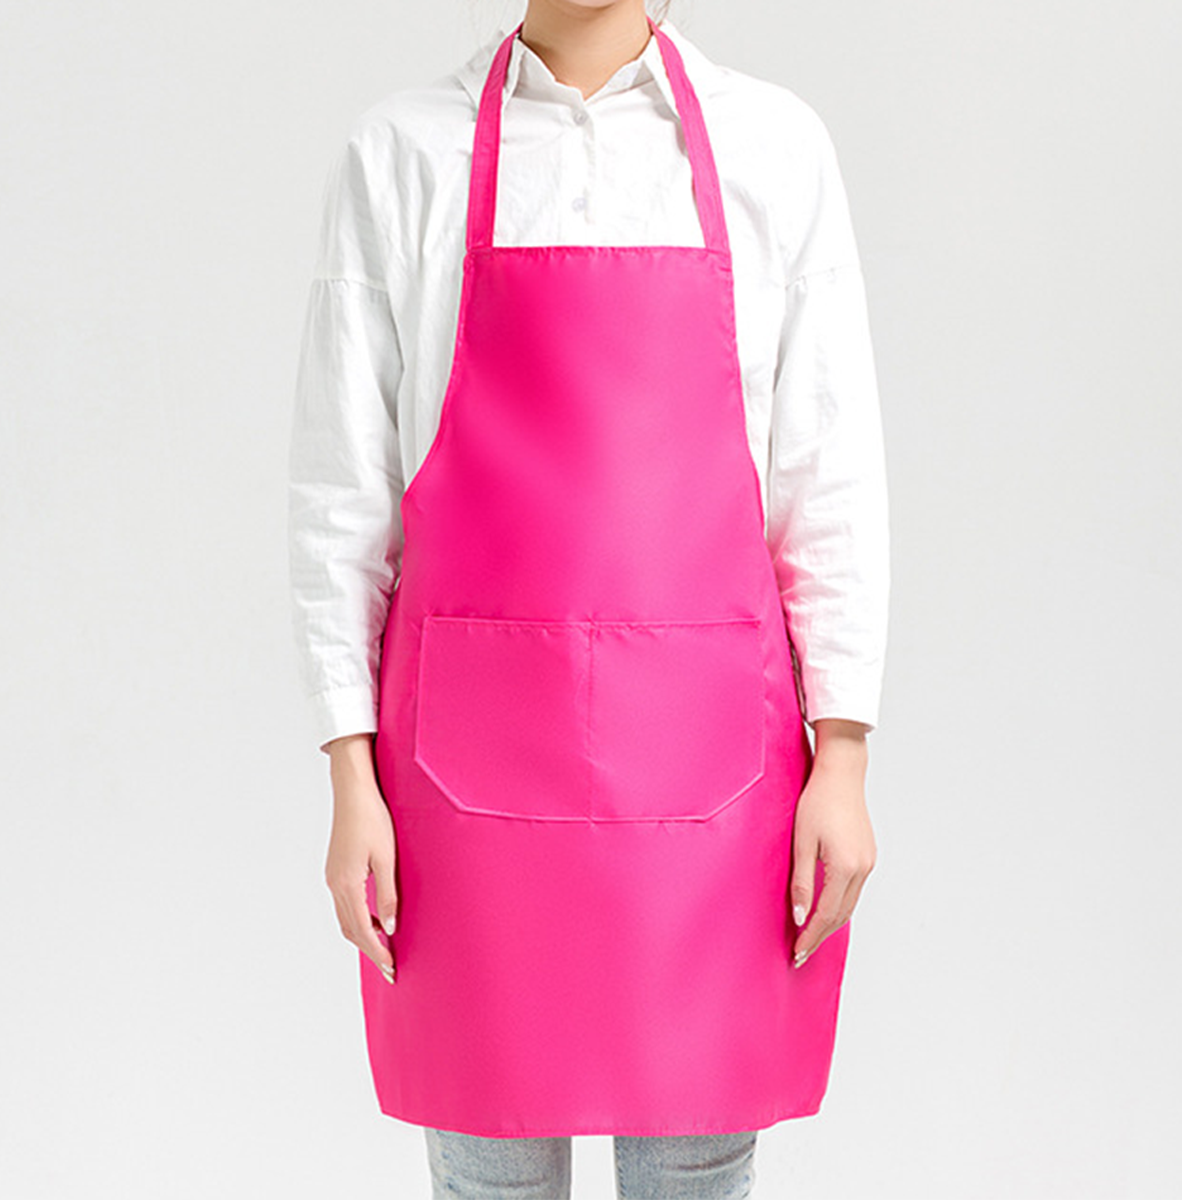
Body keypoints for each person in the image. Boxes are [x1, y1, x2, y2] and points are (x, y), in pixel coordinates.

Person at [288, 1, 889, 1196]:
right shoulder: (403, 151)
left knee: (693, 1166)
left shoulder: (773, 145)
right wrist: (350, 777)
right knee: (490, 1170)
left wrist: (845, 756)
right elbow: (339, 498)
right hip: (466, 788)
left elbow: (827, 481)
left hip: (712, 781)